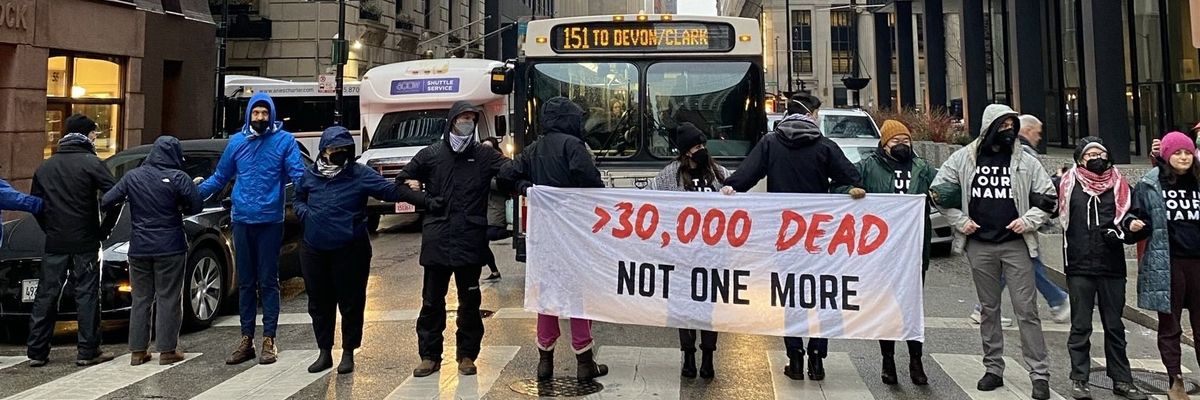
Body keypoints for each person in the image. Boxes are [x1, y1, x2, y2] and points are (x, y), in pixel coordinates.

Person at [719, 91, 865, 381]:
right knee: (820, 294)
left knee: (790, 295)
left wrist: (726, 190)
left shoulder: (771, 143)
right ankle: (817, 358)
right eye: (817, 114)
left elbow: (744, 178)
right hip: (818, 236)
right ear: (810, 114)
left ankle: (795, 356)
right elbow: (852, 178)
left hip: (784, 236)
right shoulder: (824, 145)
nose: (818, 118)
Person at [930, 104, 1055, 399]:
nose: (1009, 131)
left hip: (1016, 245)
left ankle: (1039, 374)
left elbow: (1049, 197)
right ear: (989, 127)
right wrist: (960, 221)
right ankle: (993, 368)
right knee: (989, 310)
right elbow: (938, 192)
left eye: (1013, 125)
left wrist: (1028, 221)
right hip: (980, 245)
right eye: (1003, 125)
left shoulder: (1026, 161)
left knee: (1027, 310)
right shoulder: (963, 158)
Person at [500, 96, 610, 382]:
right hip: (573, 233)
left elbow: (505, 176)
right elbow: (591, 181)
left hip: (544, 235)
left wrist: (526, 187)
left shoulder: (535, 148)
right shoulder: (573, 146)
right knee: (578, 295)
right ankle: (584, 361)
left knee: (546, 295)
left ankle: (544, 361)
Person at [398, 101, 509, 378]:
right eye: (463, 118)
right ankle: (429, 356)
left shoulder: (483, 156)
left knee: (469, 302)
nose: (467, 122)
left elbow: (511, 170)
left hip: (470, 241)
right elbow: (401, 182)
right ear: (452, 121)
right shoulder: (431, 154)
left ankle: (467, 355)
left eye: (472, 118)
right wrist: (424, 200)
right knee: (432, 302)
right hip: (437, 241)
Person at [197, 92, 307, 365]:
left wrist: (319, 192)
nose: (260, 117)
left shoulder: (284, 141)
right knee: (246, 282)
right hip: (242, 220)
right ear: (249, 115)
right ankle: (246, 339)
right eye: (255, 113)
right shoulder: (237, 143)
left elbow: (299, 175)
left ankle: (269, 340)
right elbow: (220, 177)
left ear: (271, 114)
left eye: (264, 113)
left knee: (268, 281)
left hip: (270, 220)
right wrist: (193, 194)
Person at [294, 126, 406, 374]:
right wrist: (306, 214)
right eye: (334, 149)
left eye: (344, 149)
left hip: (351, 248)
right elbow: (298, 197)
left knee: (351, 302)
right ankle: (324, 351)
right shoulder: (309, 175)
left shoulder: (359, 174)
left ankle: (348, 352)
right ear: (324, 150)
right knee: (319, 303)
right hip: (314, 248)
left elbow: (389, 191)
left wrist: (414, 187)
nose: (339, 153)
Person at [839, 119, 934, 386]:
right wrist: (850, 190)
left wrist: (942, 194)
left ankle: (916, 360)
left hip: (914, 250)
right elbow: (838, 184)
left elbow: (944, 189)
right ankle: (888, 360)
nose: (902, 145)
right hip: (882, 251)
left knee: (912, 306)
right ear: (884, 144)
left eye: (906, 141)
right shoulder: (869, 167)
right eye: (896, 141)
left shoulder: (922, 168)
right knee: (887, 306)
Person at [1055, 137, 1149, 400]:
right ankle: (1079, 379)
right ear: (1079, 159)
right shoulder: (1066, 183)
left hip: (1112, 266)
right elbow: (1046, 205)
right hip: (1079, 265)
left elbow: (1131, 216)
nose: (1096, 157)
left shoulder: (1120, 184)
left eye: (1101, 152)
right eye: (1090, 153)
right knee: (1081, 326)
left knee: (1115, 327)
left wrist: (1129, 228)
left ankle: (1122, 380)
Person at [100, 136, 203, 367]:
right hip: (171, 246)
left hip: (139, 247)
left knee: (141, 298)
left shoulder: (133, 176)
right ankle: (167, 350)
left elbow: (107, 199)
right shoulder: (179, 177)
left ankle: (138, 351)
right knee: (168, 297)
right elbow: (196, 205)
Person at [28, 114, 118, 367]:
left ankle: (37, 352)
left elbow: (37, 206)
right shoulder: (92, 163)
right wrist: (103, 230)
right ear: (86, 135)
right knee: (87, 295)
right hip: (86, 240)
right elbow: (115, 196)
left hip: (55, 240)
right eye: (94, 133)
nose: (95, 137)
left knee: (46, 295)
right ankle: (88, 351)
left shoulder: (45, 166)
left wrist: (49, 228)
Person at [965, 114, 1070, 325]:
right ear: (1028, 131)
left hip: (1018, 221)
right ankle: (1058, 300)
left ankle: (984, 308)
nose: (1039, 137)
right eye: (1038, 132)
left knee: (1019, 265)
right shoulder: (1022, 153)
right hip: (1018, 222)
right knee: (1029, 263)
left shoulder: (1013, 152)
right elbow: (1030, 188)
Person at [651, 123, 729, 380]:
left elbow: (739, 196)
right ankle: (688, 356)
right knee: (683, 309)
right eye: (697, 147)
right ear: (685, 152)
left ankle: (708, 356)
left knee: (708, 311)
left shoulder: (718, 173)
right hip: (682, 256)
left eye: (703, 145)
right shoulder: (669, 175)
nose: (702, 150)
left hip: (711, 255)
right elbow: (648, 200)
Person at [1128, 131, 1200, 400]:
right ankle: (1175, 379)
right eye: (1177, 152)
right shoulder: (1150, 184)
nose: (1183, 157)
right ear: (1167, 155)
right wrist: (1132, 226)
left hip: (1197, 262)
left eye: (1187, 152)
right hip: (1166, 262)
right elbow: (1135, 218)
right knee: (1169, 326)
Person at [480, 137, 510, 282]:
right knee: (481, 242)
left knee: (489, 235)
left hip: (495, 206)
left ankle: (513, 233)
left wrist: (485, 181)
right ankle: (494, 271)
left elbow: (503, 184)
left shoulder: (500, 163)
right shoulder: (479, 163)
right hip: (483, 208)